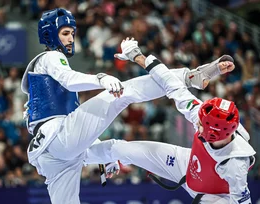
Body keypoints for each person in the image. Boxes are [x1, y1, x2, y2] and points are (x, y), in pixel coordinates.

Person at [21, 8, 238, 204]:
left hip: (52, 155)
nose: (71, 39)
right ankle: (189, 77)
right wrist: (101, 78)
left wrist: (103, 156)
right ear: (50, 35)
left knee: (113, 148)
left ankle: (190, 77)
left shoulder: (49, 83)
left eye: (72, 33)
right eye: (65, 33)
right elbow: (69, 79)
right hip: (58, 139)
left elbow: (71, 124)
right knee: (122, 93)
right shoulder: (49, 57)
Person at [84, 38, 256, 203]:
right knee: (120, 148)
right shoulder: (206, 116)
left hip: (214, 196)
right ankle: (74, 156)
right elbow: (172, 85)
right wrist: (136, 55)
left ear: (214, 132)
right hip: (187, 164)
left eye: (201, 124)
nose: (197, 122)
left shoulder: (235, 164)